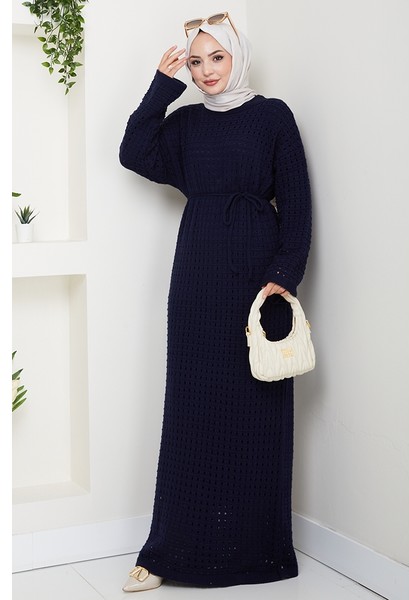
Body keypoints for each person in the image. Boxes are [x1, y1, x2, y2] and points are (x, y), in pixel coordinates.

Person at [119, 12, 312, 592]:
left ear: (237, 56)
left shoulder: (273, 117)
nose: (206, 71)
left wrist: (285, 273)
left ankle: (256, 551)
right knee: (193, 408)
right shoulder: (184, 124)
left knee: (257, 407)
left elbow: (297, 201)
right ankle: (169, 550)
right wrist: (162, 84)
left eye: (217, 58)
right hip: (198, 275)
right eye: (196, 61)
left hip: (258, 277)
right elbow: (133, 151)